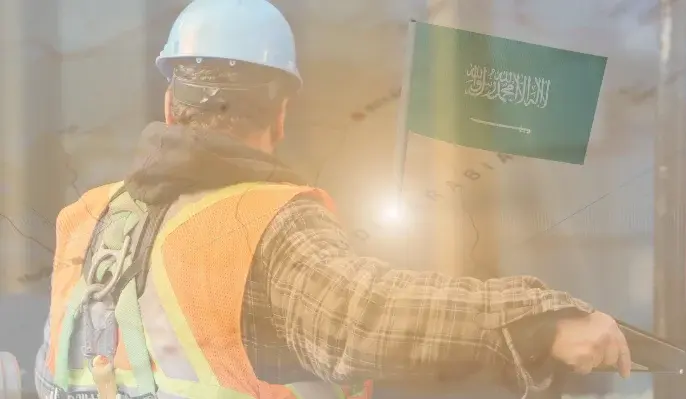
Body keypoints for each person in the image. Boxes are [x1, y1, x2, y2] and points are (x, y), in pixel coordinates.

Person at [34, 0, 630, 398]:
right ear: (281, 114)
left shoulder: (86, 216)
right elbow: (363, 319)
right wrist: (538, 321)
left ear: (170, 106)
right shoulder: (261, 221)